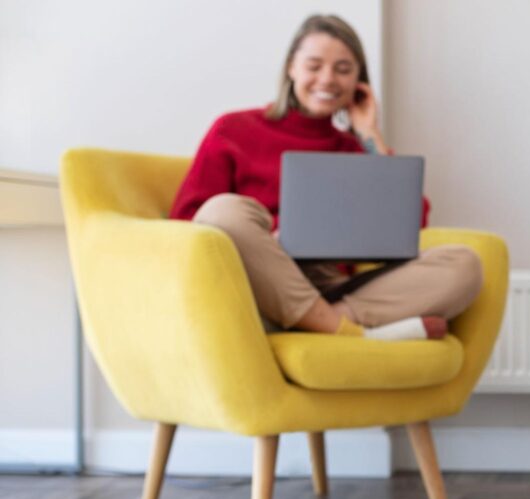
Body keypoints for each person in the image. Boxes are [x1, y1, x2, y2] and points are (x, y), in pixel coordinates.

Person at [169, 14, 482, 341]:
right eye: (314, 66)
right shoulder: (233, 129)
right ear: (292, 68)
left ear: (358, 80)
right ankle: (350, 333)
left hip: (328, 283)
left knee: (464, 265)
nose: (328, 79)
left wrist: (370, 135)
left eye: (343, 69)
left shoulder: (354, 148)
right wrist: (268, 239)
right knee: (223, 211)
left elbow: (413, 225)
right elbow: (186, 220)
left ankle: (313, 323)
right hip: (258, 279)